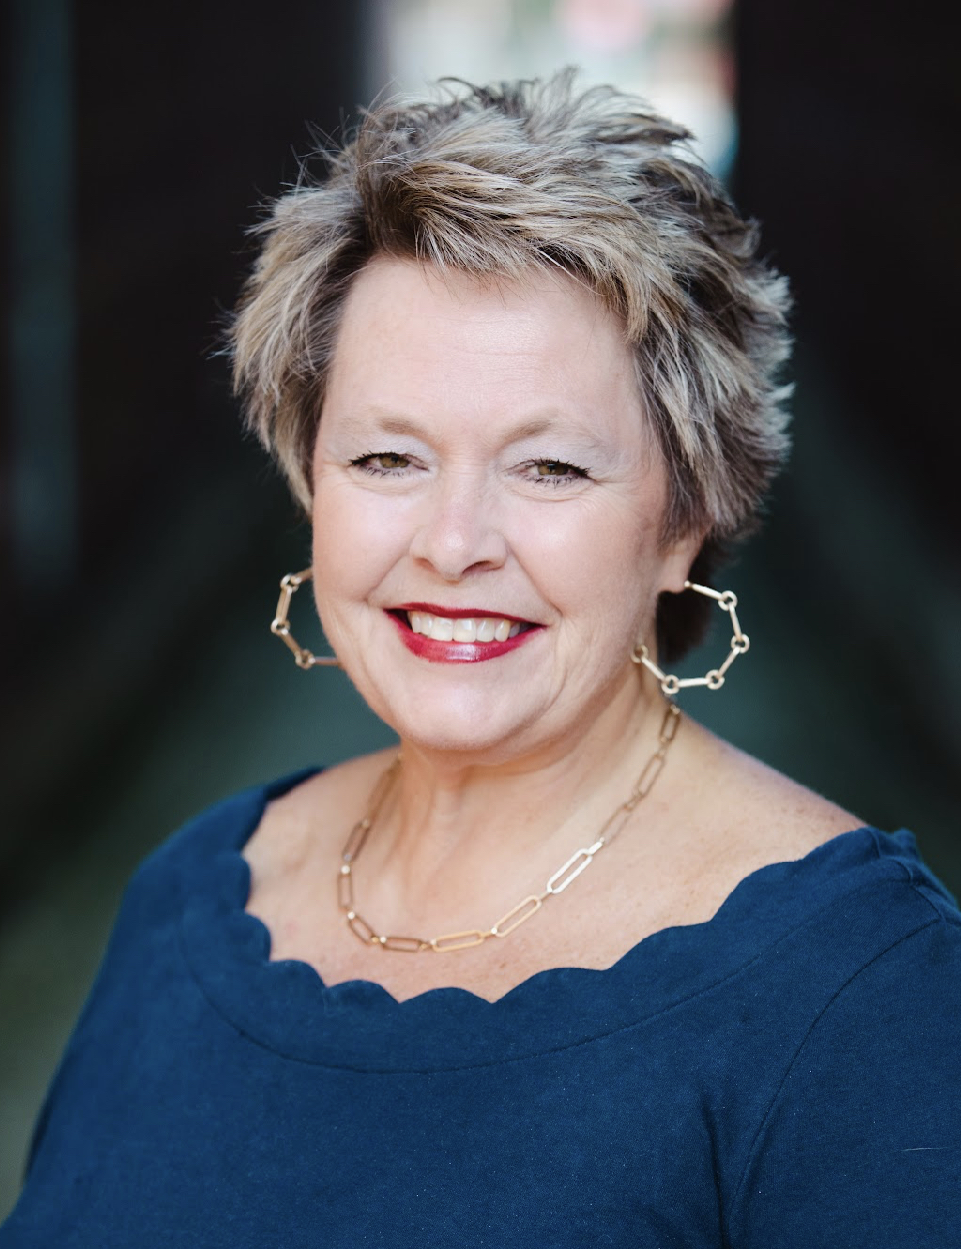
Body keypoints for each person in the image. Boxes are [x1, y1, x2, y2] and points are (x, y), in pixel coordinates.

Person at [3, 70, 959, 1247]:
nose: (453, 543)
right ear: (309, 483)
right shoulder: (185, 900)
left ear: (686, 518)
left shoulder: (863, 996)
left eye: (549, 467)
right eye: (386, 459)